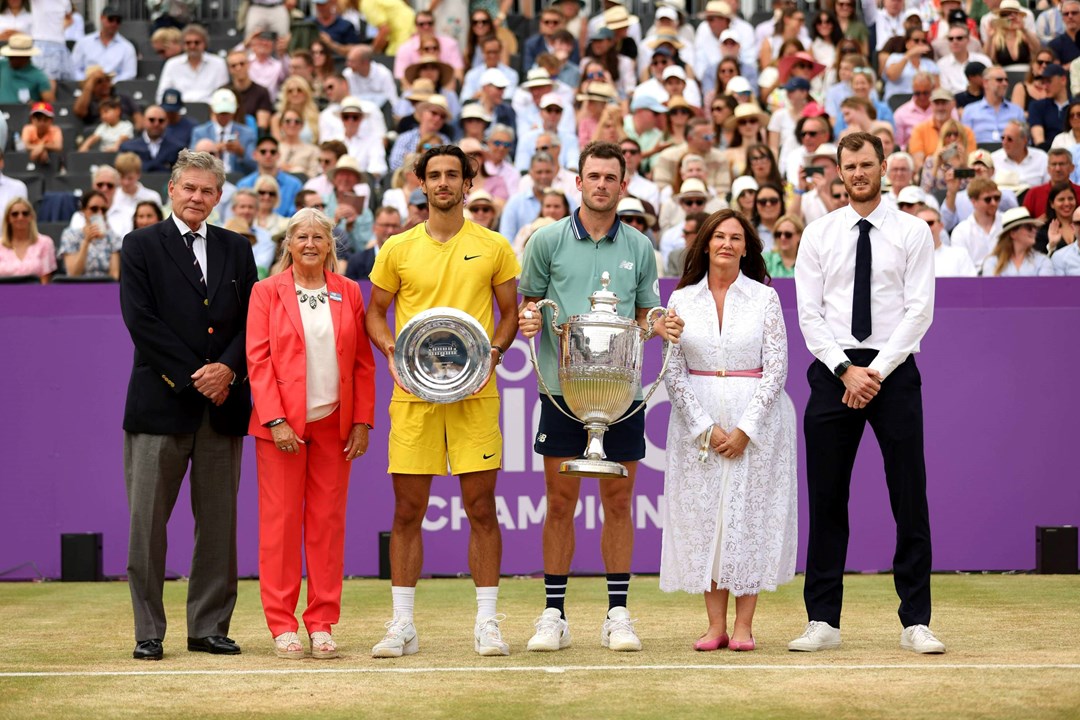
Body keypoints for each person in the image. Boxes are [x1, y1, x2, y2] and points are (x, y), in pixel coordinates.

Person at [517, 141, 683, 654]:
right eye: (594, 176)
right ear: (579, 182)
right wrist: (527, 319)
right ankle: (554, 615)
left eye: (611, 177)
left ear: (623, 184)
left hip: (622, 394)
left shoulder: (638, 247)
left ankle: (617, 613)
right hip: (564, 390)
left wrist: (660, 323)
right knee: (560, 501)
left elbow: (644, 315)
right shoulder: (545, 241)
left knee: (618, 501)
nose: (602, 185)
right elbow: (530, 304)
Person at [791, 132, 944, 655]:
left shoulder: (913, 231)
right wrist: (844, 371)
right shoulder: (818, 234)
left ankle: (916, 620)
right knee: (827, 498)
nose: (858, 173)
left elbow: (919, 310)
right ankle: (823, 621)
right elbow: (808, 314)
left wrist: (872, 372)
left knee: (909, 496)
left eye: (866, 164)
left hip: (893, 370)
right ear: (839, 171)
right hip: (832, 371)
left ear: (883, 167)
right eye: (849, 166)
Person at [365, 145, 520, 658]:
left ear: (468, 184)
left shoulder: (494, 245)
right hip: (414, 394)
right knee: (407, 510)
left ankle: (487, 622)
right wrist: (393, 354)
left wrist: (492, 355)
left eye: (453, 175)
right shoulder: (397, 248)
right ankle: (403, 625)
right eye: (435, 176)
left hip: (475, 393)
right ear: (421, 183)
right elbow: (376, 313)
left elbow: (509, 314)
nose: (444, 183)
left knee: (480, 507)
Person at [119, 149, 259, 661]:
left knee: (219, 526)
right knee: (147, 525)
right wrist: (195, 377)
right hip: (160, 404)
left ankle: (208, 627)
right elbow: (141, 320)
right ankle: (148, 631)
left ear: (218, 197)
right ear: (172, 190)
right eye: (190, 188)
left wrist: (227, 370)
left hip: (223, 404)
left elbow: (253, 321)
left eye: (208, 191)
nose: (198, 197)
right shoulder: (139, 245)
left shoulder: (236, 248)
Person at [660, 208, 797, 652]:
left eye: (736, 237)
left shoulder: (764, 298)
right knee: (707, 521)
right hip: (696, 423)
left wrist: (746, 429)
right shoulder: (681, 299)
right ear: (704, 244)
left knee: (748, 517)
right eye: (719, 236)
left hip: (756, 420)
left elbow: (776, 368)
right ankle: (714, 626)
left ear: (746, 247)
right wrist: (704, 427)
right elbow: (673, 370)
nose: (726, 244)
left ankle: (744, 627)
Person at [246, 206, 376, 660]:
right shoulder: (265, 292)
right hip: (282, 427)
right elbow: (257, 360)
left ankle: (321, 622)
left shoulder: (349, 292)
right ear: (288, 244)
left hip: (334, 424)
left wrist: (362, 420)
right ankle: (282, 624)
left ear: (330, 245)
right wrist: (276, 419)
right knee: (280, 527)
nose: (309, 244)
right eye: (300, 236)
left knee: (326, 526)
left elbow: (361, 361)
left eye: (318, 237)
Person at [155, 24, 229, 106]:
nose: (192, 46)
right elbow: (162, 95)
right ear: (183, 45)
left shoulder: (218, 63)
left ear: (205, 43)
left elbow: (223, 94)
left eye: (197, 42)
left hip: (210, 109)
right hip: (179, 111)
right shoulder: (172, 64)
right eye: (188, 43)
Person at [59, 191, 122, 280]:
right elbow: (73, 273)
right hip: (78, 287)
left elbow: (114, 275)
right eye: (94, 209)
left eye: (103, 210)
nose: (99, 213)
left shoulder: (112, 237)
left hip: (105, 288)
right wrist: (86, 241)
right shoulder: (70, 235)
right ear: (83, 210)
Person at [981, 207, 1055, 276]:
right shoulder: (992, 262)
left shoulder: (1042, 260)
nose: (1034, 231)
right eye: (1029, 227)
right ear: (1013, 233)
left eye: (1034, 227)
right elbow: (990, 289)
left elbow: (1045, 288)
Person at [0, 197, 55, 282]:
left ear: (31, 217)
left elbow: (45, 282)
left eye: (25, 213)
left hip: (34, 294)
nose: (20, 217)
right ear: (8, 218)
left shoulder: (45, 243)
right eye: (15, 214)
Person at [917, 206, 977, 277]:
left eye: (930, 223)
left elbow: (971, 285)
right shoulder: (907, 259)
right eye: (921, 224)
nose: (926, 228)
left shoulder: (959, 255)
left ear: (941, 225)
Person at [763, 213, 803, 278]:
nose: (782, 238)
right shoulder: (765, 260)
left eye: (788, 234)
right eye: (778, 234)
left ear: (799, 236)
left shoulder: (806, 262)